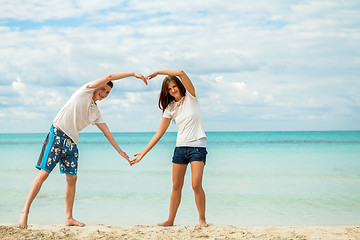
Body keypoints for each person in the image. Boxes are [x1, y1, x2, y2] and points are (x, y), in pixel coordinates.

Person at [19, 72, 147, 229]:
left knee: (72, 179)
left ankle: (69, 217)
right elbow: (109, 76)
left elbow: (106, 130)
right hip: (57, 135)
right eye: (103, 90)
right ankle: (24, 212)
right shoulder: (84, 91)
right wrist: (133, 74)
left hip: (72, 143)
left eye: (108, 92)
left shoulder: (95, 111)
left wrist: (119, 151)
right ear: (97, 86)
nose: (104, 94)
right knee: (44, 174)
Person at [131, 69, 208, 227]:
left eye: (174, 86)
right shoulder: (170, 108)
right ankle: (170, 220)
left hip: (197, 147)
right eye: (169, 88)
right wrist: (143, 153)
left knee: (195, 184)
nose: (173, 90)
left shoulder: (191, 97)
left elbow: (181, 72)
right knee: (176, 186)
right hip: (180, 148)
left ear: (179, 85)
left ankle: (202, 219)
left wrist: (158, 72)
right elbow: (160, 132)